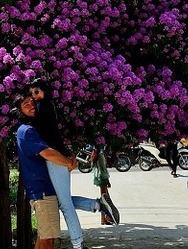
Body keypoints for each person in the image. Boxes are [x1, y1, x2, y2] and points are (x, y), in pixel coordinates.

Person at [15, 94, 119, 249]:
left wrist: (68, 157)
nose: (31, 106)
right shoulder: (26, 131)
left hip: (45, 189)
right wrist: (68, 163)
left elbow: (53, 146)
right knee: (47, 238)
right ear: (19, 111)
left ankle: (97, 206)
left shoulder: (34, 129)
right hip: (42, 190)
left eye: (32, 102)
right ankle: (94, 212)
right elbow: (48, 153)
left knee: (49, 232)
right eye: (26, 104)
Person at [92, 149, 113, 225]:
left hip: (100, 178)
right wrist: (107, 180)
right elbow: (103, 170)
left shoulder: (96, 155)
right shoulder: (100, 156)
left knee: (104, 199)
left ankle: (105, 218)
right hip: (102, 179)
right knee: (104, 200)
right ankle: (104, 219)